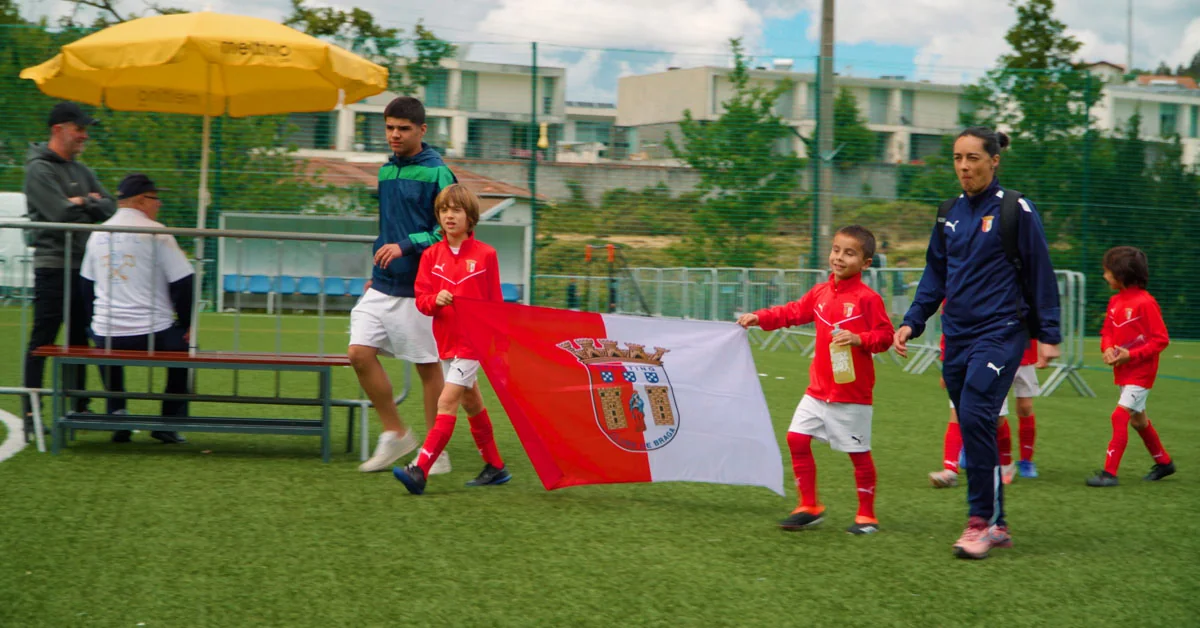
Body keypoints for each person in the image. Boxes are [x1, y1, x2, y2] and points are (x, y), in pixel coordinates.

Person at [894, 126, 1061, 560]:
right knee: (975, 423)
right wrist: (913, 321)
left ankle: (979, 522)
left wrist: (1049, 334)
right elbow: (935, 275)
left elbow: (1040, 269)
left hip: (1002, 331)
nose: (964, 167)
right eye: (957, 158)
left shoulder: (1015, 208)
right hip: (957, 335)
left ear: (994, 161)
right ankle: (999, 524)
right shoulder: (948, 212)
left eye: (973, 158)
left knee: (974, 412)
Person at [738, 225, 894, 535]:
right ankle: (809, 506)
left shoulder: (868, 299)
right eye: (836, 250)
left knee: (858, 454)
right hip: (817, 391)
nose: (839, 258)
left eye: (849, 253)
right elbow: (793, 312)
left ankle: (867, 516)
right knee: (796, 439)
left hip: (851, 394)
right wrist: (760, 317)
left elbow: (885, 336)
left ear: (866, 263)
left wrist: (859, 339)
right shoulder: (820, 292)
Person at [349, 96, 454, 474]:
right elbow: (388, 227)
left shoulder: (439, 173)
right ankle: (395, 434)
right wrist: (378, 267)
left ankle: (435, 452)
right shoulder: (385, 171)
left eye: (403, 129)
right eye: (390, 128)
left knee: (428, 367)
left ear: (422, 130)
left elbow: (450, 229)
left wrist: (406, 246)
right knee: (359, 354)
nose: (395, 135)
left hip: (422, 287)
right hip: (382, 283)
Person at [392, 184, 512, 494]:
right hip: (446, 342)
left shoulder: (486, 255)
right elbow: (422, 300)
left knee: (446, 402)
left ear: (470, 217)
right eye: (444, 210)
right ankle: (496, 467)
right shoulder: (431, 255)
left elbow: (496, 304)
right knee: (471, 401)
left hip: (473, 344)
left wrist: (499, 345)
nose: (449, 216)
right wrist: (436, 300)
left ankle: (420, 470)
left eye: (456, 210)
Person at [22, 102, 116, 439]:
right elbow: (59, 213)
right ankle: (32, 414)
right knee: (43, 340)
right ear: (58, 129)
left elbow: (110, 206)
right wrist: (88, 203)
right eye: (79, 129)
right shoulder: (39, 170)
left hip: (84, 267)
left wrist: (83, 203)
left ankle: (78, 407)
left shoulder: (82, 169)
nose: (84, 136)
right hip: (53, 266)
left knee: (81, 338)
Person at [80, 174, 191, 444]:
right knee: (184, 348)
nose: (159, 203)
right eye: (155, 198)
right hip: (153, 333)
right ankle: (168, 421)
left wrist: (92, 322)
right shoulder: (157, 233)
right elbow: (184, 282)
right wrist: (187, 323)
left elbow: (85, 285)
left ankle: (117, 411)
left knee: (104, 337)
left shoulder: (98, 234)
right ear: (141, 201)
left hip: (107, 332)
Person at [1087, 246, 1175, 487]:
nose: (1104, 276)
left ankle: (1109, 473)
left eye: (1108, 271)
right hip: (1124, 371)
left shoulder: (1145, 303)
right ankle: (1164, 462)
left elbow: (1161, 340)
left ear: (1122, 274)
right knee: (1139, 421)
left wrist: (1132, 355)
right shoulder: (1115, 301)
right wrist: (1107, 348)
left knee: (1119, 416)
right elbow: (1107, 331)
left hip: (1141, 373)